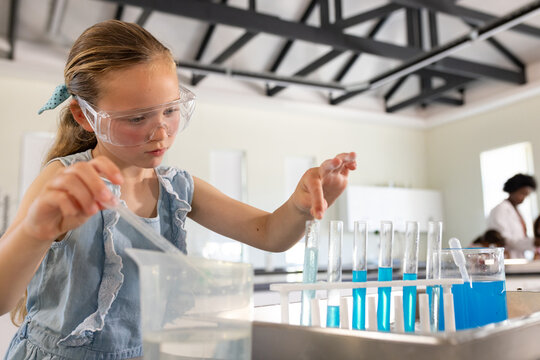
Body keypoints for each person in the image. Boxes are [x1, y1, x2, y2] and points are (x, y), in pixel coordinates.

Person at [0, 20, 357, 359]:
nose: (161, 132)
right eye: (138, 118)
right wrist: (36, 230)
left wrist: (299, 205)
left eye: (170, 110)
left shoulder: (177, 188)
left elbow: (269, 234)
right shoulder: (62, 181)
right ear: (85, 116)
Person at [486, 173, 536, 258]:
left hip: (519, 257)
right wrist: (533, 242)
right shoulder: (500, 210)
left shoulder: (516, 210)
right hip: (507, 258)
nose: (523, 198)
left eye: (526, 195)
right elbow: (504, 239)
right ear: (512, 190)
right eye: (522, 193)